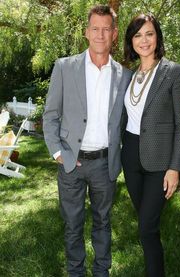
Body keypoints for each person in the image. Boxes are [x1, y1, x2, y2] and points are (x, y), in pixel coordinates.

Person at [43, 5, 132, 277]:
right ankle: (76, 272)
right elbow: (50, 116)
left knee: (103, 222)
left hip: (105, 164)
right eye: (95, 28)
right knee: (72, 224)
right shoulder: (64, 67)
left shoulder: (124, 75)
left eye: (106, 29)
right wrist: (59, 153)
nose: (100, 35)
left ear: (114, 34)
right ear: (86, 32)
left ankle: (102, 272)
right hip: (72, 162)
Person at [121, 14, 180, 277]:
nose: (144, 40)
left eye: (149, 33)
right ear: (131, 41)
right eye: (137, 35)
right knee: (147, 224)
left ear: (157, 36)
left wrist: (175, 167)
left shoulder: (175, 72)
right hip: (130, 155)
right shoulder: (129, 75)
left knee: (146, 227)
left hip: (160, 162)